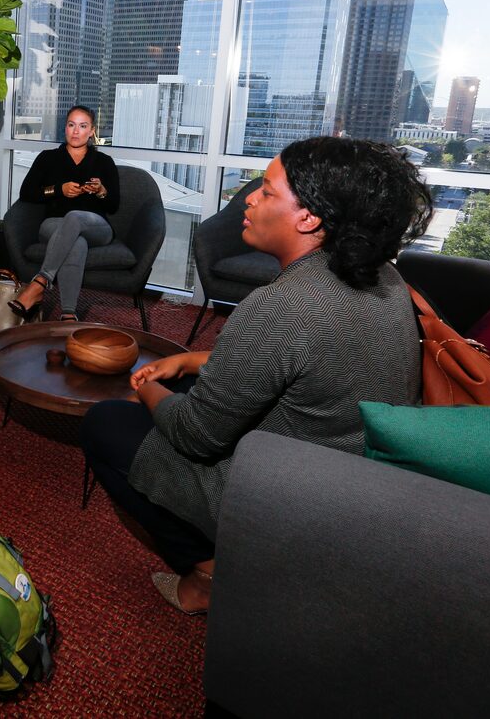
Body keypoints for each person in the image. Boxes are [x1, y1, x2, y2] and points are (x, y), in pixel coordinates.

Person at [80, 137, 433, 614]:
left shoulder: (281, 307)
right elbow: (306, 359)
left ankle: (206, 572)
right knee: (189, 386)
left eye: (266, 191)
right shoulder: (385, 278)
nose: (249, 198)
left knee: (105, 424)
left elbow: (195, 436)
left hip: (290, 497)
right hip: (354, 476)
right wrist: (190, 360)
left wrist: (148, 388)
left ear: (308, 217)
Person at [10, 105, 120, 321]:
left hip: (97, 227)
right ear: (65, 128)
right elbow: (27, 193)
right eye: (71, 125)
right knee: (76, 242)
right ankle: (69, 313)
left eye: (83, 126)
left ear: (91, 131)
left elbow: (113, 205)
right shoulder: (47, 158)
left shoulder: (104, 162)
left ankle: (40, 282)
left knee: (74, 217)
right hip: (53, 225)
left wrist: (101, 191)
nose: (76, 131)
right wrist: (59, 189)